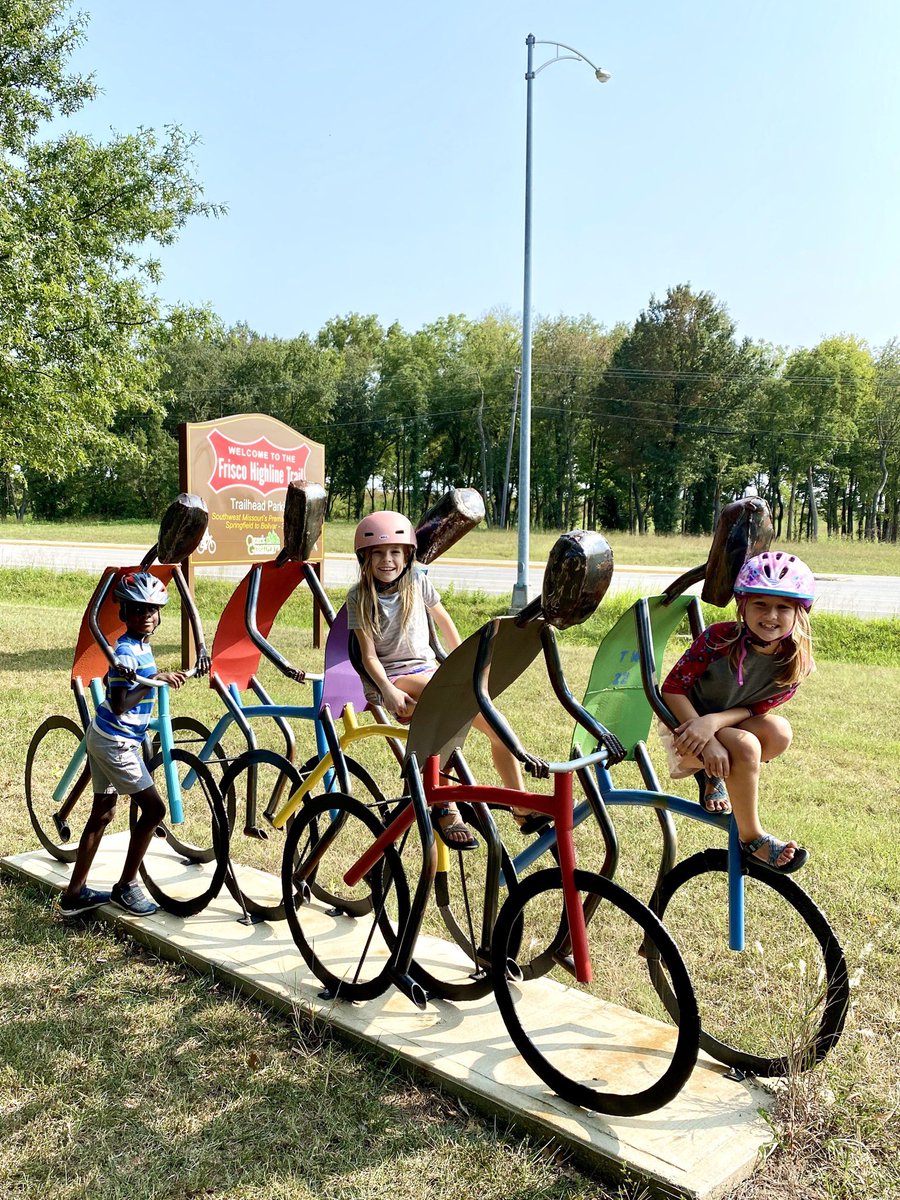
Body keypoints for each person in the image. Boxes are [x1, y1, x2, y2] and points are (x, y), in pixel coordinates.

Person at [347, 511, 525, 850]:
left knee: (497, 725)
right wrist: (386, 692)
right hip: (395, 679)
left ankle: (521, 806)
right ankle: (444, 802)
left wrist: (466, 664)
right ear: (365, 558)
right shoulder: (359, 596)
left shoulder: (417, 582)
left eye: (395, 552)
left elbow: (444, 622)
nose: (388, 560)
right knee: (444, 701)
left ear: (408, 555)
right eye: (379, 553)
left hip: (431, 672)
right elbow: (368, 655)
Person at [660, 550, 815, 874]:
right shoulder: (719, 639)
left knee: (779, 732)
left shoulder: (795, 662)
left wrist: (714, 724)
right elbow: (672, 689)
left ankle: (717, 773)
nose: (771, 615)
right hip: (683, 726)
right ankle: (752, 837)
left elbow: (755, 709)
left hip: (719, 724)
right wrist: (705, 738)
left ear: (799, 612)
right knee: (745, 745)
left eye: (783, 607)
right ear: (743, 605)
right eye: (760, 604)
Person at [59, 572, 187, 918]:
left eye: (152, 610)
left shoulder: (142, 646)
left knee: (102, 813)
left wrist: (171, 674)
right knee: (155, 810)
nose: (146, 615)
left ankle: (74, 895)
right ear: (124, 614)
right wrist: (154, 681)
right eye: (137, 610)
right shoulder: (127, 651)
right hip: (116, 741)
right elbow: (119, 703)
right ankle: (126, 886)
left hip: (103, 736)